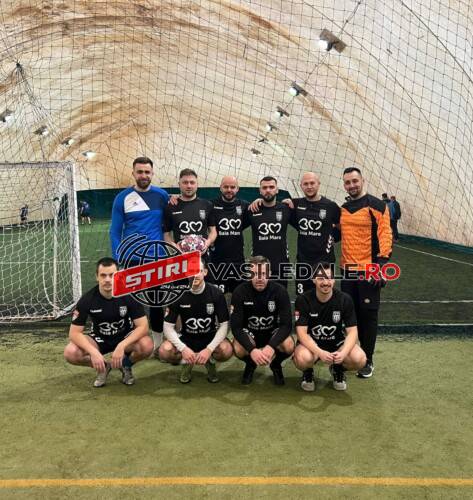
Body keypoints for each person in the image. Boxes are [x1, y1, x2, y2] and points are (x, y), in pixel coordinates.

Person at [63, 257, 153, 387]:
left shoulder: (129, 295)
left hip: (124, 337)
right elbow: (74, 333)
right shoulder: (87, 299)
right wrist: (93, 352)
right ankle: (104, 367)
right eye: (103, 275)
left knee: (147, 345)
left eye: (112, 275)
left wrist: (122, 346)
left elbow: (143, 326)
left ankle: (125, 365)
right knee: (70, 352)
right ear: (97, 277)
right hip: (99, 339)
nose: (107, 279)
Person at [109, 156, 169, 351]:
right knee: (131, 303)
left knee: (156, 302)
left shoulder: (162, 195)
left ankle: (157, 344)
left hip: (157, 257)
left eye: (147, 172)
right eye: (140, 172)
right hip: (131, 258)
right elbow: (115, 231)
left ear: (152, 173)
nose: (144, 175)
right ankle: (132, 342)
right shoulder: (122, 198)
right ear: (133, 173)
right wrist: (118, 259)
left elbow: (172, 219)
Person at [340, 167, 392, 378]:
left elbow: (385, 235)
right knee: (349, 315)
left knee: (368, 316)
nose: (352, 185)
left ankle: (367, 360)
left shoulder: (377, 205)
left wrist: (380, 266)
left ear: (363, 180)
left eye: (355, 181)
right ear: (344, 185)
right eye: (348, 182)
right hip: (347, 271)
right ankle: (351, 356)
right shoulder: (344, 208)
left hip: (369, 271)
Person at [293, 262, 366, 391]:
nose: (326, 282)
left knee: (359, 359)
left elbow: (353, 332)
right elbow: (301, 333)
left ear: (333, 280)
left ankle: (337, 368)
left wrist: (343, 353)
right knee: (302, 359)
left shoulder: (345, 299)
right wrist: (319, 352)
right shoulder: (303, 300)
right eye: (321, 278)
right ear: (314, 280)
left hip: (336, 344)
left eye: (329, 278)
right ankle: (308, 371)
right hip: (312, 344)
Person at [159, 260, 233, 383]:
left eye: (198, 271)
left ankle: (210, 361)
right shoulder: (178, 294)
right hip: (186, 338)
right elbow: (167, 327)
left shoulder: (216, 293)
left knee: (226, 350)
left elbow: (224, 325)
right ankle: (187, 362)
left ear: (205, 272)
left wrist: (209, 349)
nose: (195, 275)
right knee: (164, 351)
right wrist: (183, 348)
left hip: (209, 337)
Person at [231, 256, 294, 385]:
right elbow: (236, 327)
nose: (259, 278)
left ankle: (276, 364)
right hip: (250, 334)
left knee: (288, 345)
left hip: (272, 333)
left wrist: (271, 346)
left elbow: (286, 325)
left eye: (263, 274)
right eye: (255, 274)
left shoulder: (280, 291)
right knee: (238, 348)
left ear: (269, 273)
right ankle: (251, 363)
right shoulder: (239, 292)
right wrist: (252, 350)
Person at [288, 172, 340, 295]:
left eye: (312, 183)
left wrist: (334, 238)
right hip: (303, 262)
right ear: (301, 186)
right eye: (306, 184)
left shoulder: (331, 206)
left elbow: (341, 227)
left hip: (325, 262)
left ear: (318, 184)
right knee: (302, 298)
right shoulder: (296, 204)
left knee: (325, 296)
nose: (309, 186)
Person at [208, 176, 250, 294]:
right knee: (217, 298)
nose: (229, 190)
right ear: (220, 188)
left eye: (232, 187)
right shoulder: (210, 205)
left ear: (237, 188)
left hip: (238, 263)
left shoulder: (245, 206)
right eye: (226, 187)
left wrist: (258, 201)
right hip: (216, 263)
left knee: (239, 298)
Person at [247, 177, 291, 287]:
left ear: (277, 190)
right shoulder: (252, 209)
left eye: (271, 187)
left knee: (280, 295)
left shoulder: (286, 209)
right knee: (258, 296)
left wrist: (293, 201)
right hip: (258, 265)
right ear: (260, 190)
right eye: (264, 187)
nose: (268, 190)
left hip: (281, 265)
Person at [164, 169, 216, 254]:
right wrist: (175, 247)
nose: (189, 186)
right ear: (179, 184)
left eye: (192, 182)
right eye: (185, 182)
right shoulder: (170, 207)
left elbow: (213, 231)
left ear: (197, 184)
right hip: (181, 257)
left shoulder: (207, 205)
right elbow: (166, 235)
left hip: (203, 257)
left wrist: (208, 243)